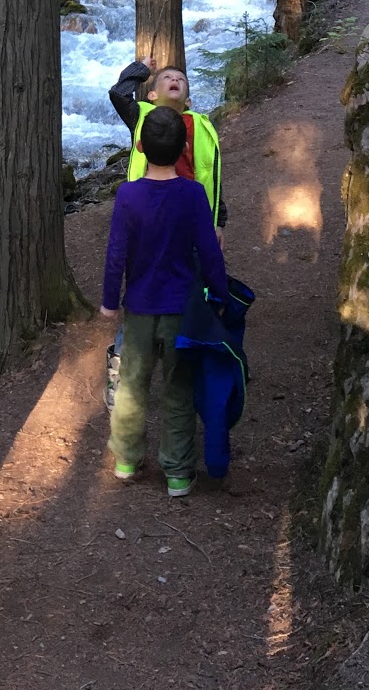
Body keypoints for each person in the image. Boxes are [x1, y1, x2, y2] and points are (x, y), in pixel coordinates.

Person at [100, 105, 228, 496]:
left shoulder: (128, 194)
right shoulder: (192, 195)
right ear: (185, 147)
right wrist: (220, 294)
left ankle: (125, 459)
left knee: (132, 386)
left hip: (138, 307)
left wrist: (108, 301)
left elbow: (115, 252)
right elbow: (210, 252)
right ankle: (177, 473)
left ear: (139, 145)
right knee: (178, 389)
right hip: (180, 310)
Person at [109, 56, 227, 241]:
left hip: (190, 208)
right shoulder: (141, 116)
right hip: (150, 209)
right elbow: (118, 93)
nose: (175, 80)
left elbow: (212, 173)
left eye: (181, 80)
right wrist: (142, 68)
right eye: (167, 78)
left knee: (194, 262)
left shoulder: (202, 125)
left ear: (188, 101)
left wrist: (218, 222)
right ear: (152, 96)